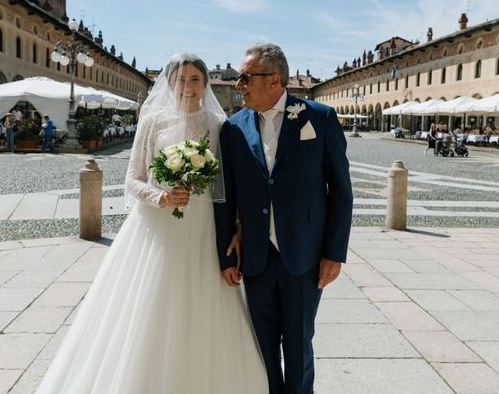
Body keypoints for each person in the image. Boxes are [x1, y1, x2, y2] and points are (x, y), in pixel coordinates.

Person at [35, 53, 268, 394]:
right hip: (158, 227)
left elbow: (229, 186)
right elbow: (133, 179)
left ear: (205, 85)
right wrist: (160, 197)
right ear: (170, 83)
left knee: (204, 302)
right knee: (151, 306)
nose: (188, 87)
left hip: (202, 226)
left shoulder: (220, 127)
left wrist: (236, 227)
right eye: (181, 79)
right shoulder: (152, 122)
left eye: (195, 80)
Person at [214, 43, 353, 394]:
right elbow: (225, 196)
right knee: (261, 350)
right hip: (256, 258)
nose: (238, 85)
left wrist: (334, 252)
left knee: (298, 346)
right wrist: (226, 253)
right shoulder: (232, 129)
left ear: (273, 80)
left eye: (245, 77)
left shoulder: (319, 118)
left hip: (305, 257)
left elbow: (340, 191)